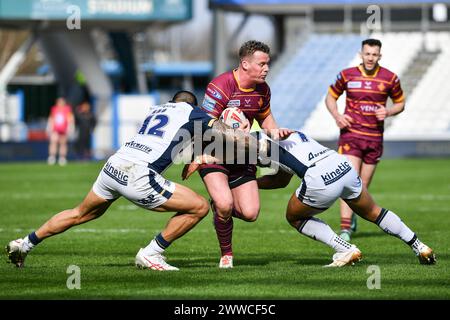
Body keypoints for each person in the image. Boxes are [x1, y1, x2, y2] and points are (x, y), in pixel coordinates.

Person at [5, 91, 255, 271]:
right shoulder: (192, 112)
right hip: (138, 173)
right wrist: (242, 133)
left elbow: (168, 141)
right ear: (193, 105)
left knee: (80, 213)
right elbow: (219, 132)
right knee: (200, 206)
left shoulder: (155, 110)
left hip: (114, 165)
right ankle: (151, 254)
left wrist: (198, 155)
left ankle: (24, 244)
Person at [183, 130, 436, 267]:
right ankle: (418, 245)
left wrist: (204, 157)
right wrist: (254, 184)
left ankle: (345, 249)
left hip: (320, 176)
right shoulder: (293, 134)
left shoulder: (259, 140)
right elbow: (281, 180)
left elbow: (238, 146)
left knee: (294, 216)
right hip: (343, 166)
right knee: (374, 212)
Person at [198, 40, 292, 268]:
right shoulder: (221, 85)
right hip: (213, 152)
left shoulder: (263, 89)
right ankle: (226, 254)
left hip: (242, 155)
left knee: (250, 213)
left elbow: (265, 118)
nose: (266, 69)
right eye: (262, 64)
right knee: (225, 204)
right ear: (245, 64)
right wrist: (232, 134)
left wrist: (275, 131)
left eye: (267, 64)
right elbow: (204, 125)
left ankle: (219, 206)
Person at [325, 38, 406, 241]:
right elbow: (330, 97)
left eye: (374, 54)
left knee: (362, 186)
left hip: (374, 139)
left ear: (380, 56)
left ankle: (351, 217)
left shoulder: (390, 78)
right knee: (349, 180)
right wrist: (337, 116)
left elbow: (400, 103)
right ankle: (345, 228)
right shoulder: (347, 75)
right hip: (351, 136)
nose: (370, 58)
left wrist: (388, 111)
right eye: (367, 54)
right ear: (361, 54)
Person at [46, 97, 75, 166]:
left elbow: (70, 119)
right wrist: (49, 128)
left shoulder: (67, 109)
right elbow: (51, 119)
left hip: (63, 130)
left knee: (63, 144)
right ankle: (52, 157)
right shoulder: (54, 109)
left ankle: (62, 158)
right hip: (55, 130)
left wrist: (70, 128)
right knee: (53, 142)